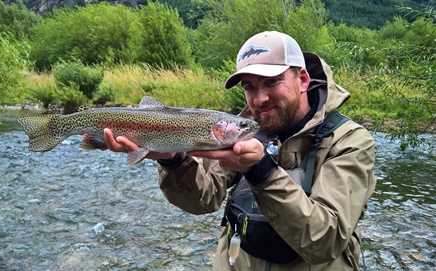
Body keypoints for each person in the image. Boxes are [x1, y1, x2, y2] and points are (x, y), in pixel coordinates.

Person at [101, 31, 376, 270]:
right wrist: (173, 161)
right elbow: (201, 200)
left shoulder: (349, 141)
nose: (260, 98)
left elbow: (324, 241)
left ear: (302, 79)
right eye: (249, 86)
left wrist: (261, 171)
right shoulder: (240, 131)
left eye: (271, 82)